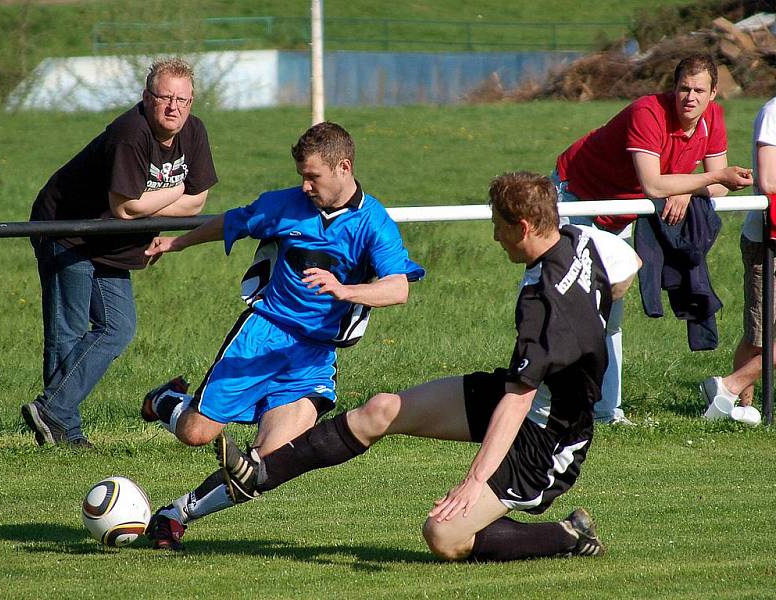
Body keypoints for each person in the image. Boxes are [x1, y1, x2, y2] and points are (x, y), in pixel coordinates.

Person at [216, 172, 642, 562]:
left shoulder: (544, 309)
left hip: (547, 439)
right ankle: (261, 473)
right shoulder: (581, 239)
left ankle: (567, 535)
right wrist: (598, 312)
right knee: (379, 410)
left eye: (499, 226)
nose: (495, 236)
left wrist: (475, 480)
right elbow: (629, 266)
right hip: (520, 397)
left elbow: (518, 401)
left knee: (443, 535)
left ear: (524, 227)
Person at [140, 121, 425, 550]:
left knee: (267, 465)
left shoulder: (374, 224)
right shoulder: (283, 206)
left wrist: (344, 289)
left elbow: (398, 288)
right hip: (262, 335)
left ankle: (175, 514)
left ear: (343, 167)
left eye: (313, 176)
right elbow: (231, 221)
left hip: (313, 358)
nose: (305, 186)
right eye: (301, 177)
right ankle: (165, 401)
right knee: (197, 434)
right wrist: (176, 245)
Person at [22, 58, 217, 448]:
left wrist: (152, 204)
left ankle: (52, 412)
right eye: (165, 97)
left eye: (183, 99)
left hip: (111, 242)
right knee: (69, 332)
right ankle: (64, 431)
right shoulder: (131, 133)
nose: (173, 107)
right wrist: (177, 191)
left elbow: (198, 204)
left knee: (119, 327)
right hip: (68, 231)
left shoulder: (193, 132)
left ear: (192, 102)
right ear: (146, 98)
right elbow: (125, 208)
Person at [553, 53, 753, 424]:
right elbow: (657, 184)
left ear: (713, 95)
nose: (689, 98)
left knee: (609, 311)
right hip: (577, 196)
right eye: (682, 88)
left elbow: (719, 189)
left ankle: (605, 411)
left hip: (621, 213)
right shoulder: (648, 112)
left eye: (698, 90)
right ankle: (552, 403)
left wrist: (688, 189)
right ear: (672, 89)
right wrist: (699, 182)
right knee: (570, 303)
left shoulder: (713, 121)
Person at [699, 95, 776, 423]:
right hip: (767, 240)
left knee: (760, 333)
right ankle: (733, 396)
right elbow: (768, 180)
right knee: (759, 333)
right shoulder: (774, 112)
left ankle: (729, 397)